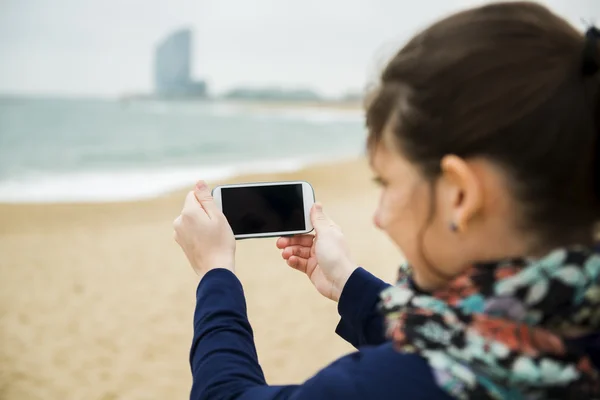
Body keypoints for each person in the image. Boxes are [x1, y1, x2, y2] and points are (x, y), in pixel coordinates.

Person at [173, 2, 600, 399]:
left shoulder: (394, 384)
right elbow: (454, 331)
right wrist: (347, 282)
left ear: (461, 194)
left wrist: (215, 272)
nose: (379, 218)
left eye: (388, 184)